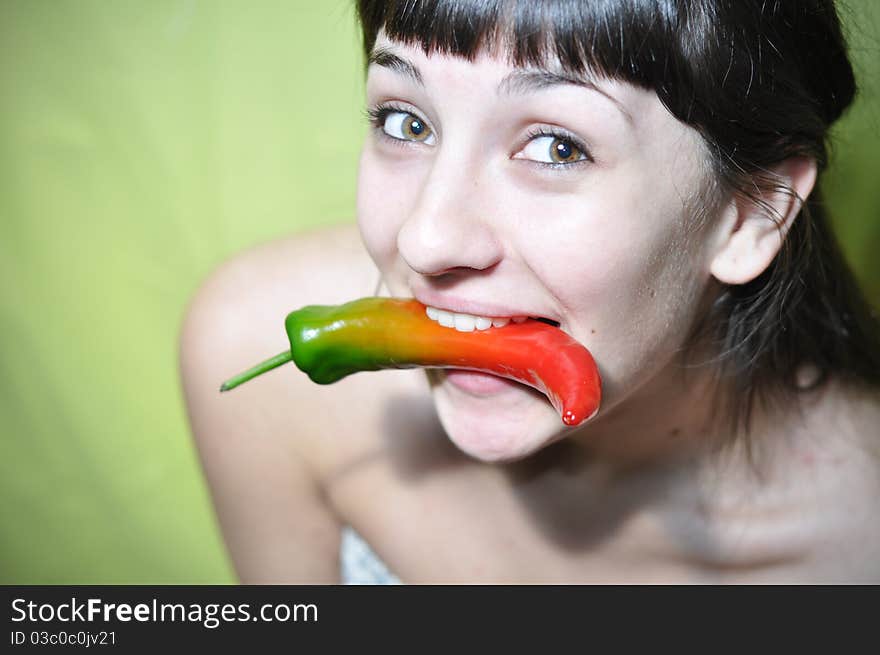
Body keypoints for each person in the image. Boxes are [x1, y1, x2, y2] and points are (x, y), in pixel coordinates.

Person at [179, 0, 880, 583]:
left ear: (750, 213)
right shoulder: (260, 354)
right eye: (406, 122)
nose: (426, 239)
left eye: (556, 147)